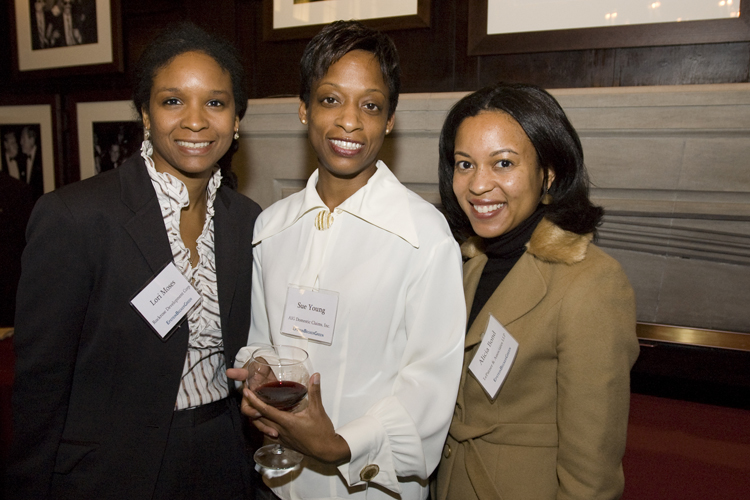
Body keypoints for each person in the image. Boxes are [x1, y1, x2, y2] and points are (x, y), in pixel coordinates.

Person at [6, 23, 261, 500]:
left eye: (215, 102)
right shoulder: (76, 217)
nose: (195, 121)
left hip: (223, 459)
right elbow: (41, 387)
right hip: (112, 471)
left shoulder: (247, 220)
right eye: (172, 101)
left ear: (236, 119)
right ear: (145, 113)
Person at [227, 20, 466, 500]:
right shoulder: (271, 227)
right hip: (279, 484)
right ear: (304, 109)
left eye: (370, 105)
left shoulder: (424, 236)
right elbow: (262, 340)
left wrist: (341, 444)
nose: (350, 121)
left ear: (390, 120)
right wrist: (259, 372)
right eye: (331, 99)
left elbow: (430, 383)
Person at [432, 83, 640, 500]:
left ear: (550, 173)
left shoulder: (591, 283)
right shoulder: (463, 263)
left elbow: (591, 477)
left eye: (503, 163)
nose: (478, 185)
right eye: (465, 164)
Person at [19, 125, 44, 199]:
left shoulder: (41, 157)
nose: (21, 142)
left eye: (23, 139)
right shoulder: (21, 160)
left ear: (32, 140)